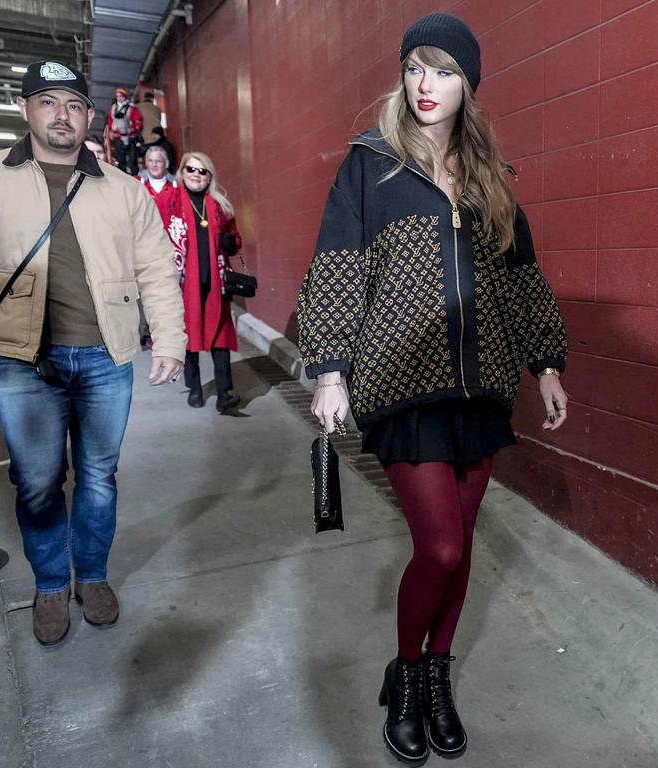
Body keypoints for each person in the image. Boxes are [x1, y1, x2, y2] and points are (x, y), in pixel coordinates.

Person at [297, 13, 568, 763]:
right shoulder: (370, 165)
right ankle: (408, 672)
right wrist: (328, 366)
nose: (426, 84)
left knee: (463, 547)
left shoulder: (490, 178)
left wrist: (544, 363)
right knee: (441, 548)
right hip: (400, 384)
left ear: (468, 87)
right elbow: (340, 266)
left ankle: (436, 678)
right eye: (417, 66)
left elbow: (519, 278)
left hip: (478, 388)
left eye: (445, 71)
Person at [0, 61, 186, 647]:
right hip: (24, 362)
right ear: (25, 110)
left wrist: (169, 339)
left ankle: (91, 576)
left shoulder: (123, 190)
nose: (61, 115)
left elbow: (155, 269)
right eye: (47, 102)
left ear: (88, 116)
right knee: (38, 482)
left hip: (104, 358)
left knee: (98, 478)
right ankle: (50, 583)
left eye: (72, 104)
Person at [156, 152, 243, 412]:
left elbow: (235, 238)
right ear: (182, 172)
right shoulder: (168, 201)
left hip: (216, 282)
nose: (196, 174)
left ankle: (224, 393)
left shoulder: (219, 205)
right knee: (189, 338)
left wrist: (230, 243)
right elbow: (150, 235)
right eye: (191, 169)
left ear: (210, 176)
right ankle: (194, 389)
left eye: (202, 171)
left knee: (221, 338)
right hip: (183, 284)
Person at [105, 86, 142, 175]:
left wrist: (134, 130)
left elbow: (138, 121)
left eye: (121, 96)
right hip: (118, 136)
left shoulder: (131, 108)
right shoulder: (113, 108)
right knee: (120, 157)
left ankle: (134, 176)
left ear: (125, 96)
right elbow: (110, 120)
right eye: (117, 96)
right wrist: (110, 131)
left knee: (132, 158)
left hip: (130, 136)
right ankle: (122, 176)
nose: (119, 98)